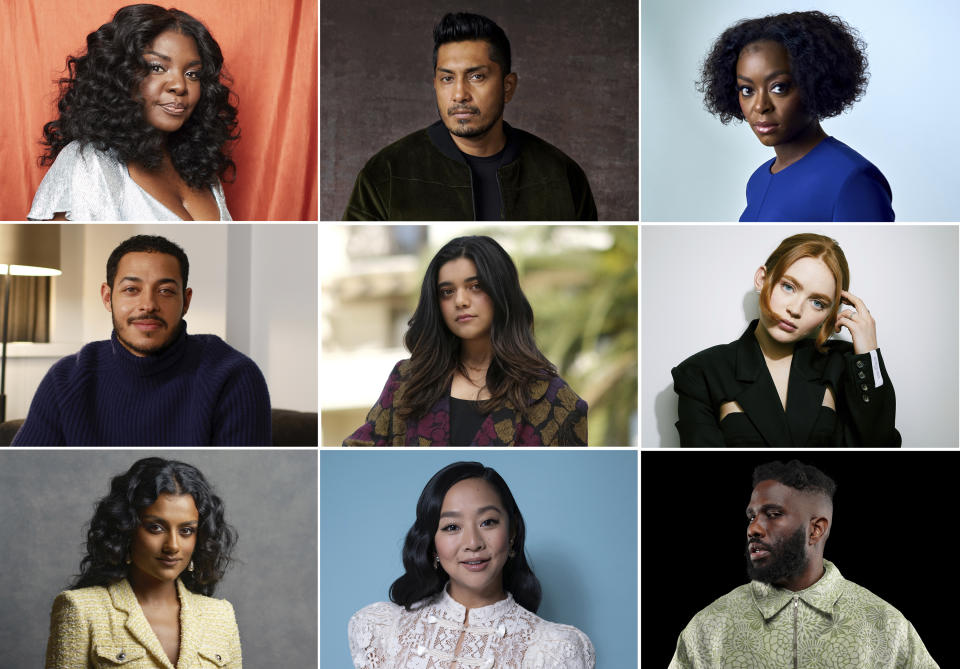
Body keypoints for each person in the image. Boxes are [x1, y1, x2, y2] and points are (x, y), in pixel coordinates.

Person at [669, 460, 939, 668]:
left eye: (773, 514)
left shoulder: (886, 625)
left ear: (816, 530)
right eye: (751, 517)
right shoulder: (709, 626)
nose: (753, 529)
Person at [12, 235, 271, 446]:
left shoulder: (234, 377)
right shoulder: (66, 378)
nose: (148, 305)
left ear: (186, 301)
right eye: (131, 290)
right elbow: (17, 478)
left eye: (165, 291)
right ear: (107, 297)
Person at [343, 12, 597, 221]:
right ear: (435, 85)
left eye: (477, 77)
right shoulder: (386, 173)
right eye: (447, 78)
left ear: (508, 86)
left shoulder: (560, 174)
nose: (459, 94)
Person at [343, 236, 587, 446]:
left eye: (476, 286)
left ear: (501, 291)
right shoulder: (407, 380)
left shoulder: (555, 400)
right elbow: (355, 453)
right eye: (447, 292)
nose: (460, 301)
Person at [349, 461, 595, 668]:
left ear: (512, 534)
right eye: (452, 527)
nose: (473, 543)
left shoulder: (554, 650)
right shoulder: (381, 629)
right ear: (432, 544)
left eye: (488, 522)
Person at [671, 233, 899, 446]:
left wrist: (869, 354)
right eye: (788, 287)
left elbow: (881, 446)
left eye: (818, 302)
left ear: (829, 314)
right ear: (762, 279)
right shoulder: (701, 372)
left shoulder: (841, 364)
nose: (796, 309)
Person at [29, 4, 238, 221]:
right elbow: (55, 254)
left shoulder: (202, 171)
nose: (180, 85)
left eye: (192, 74)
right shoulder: (89, 163)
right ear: (122, 75)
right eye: (157, 67)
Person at [46, 457, 242, 668]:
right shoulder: (81, 610)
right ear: (126, 530)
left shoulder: (220, 615)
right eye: (156, 528)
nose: (173, 545)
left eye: (186, 531)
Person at [698, 11, 894, 222]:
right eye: (747, 90)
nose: (760, 106)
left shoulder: (852, 180)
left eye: (779, 87)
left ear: (814, 83)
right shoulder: (758, 180)